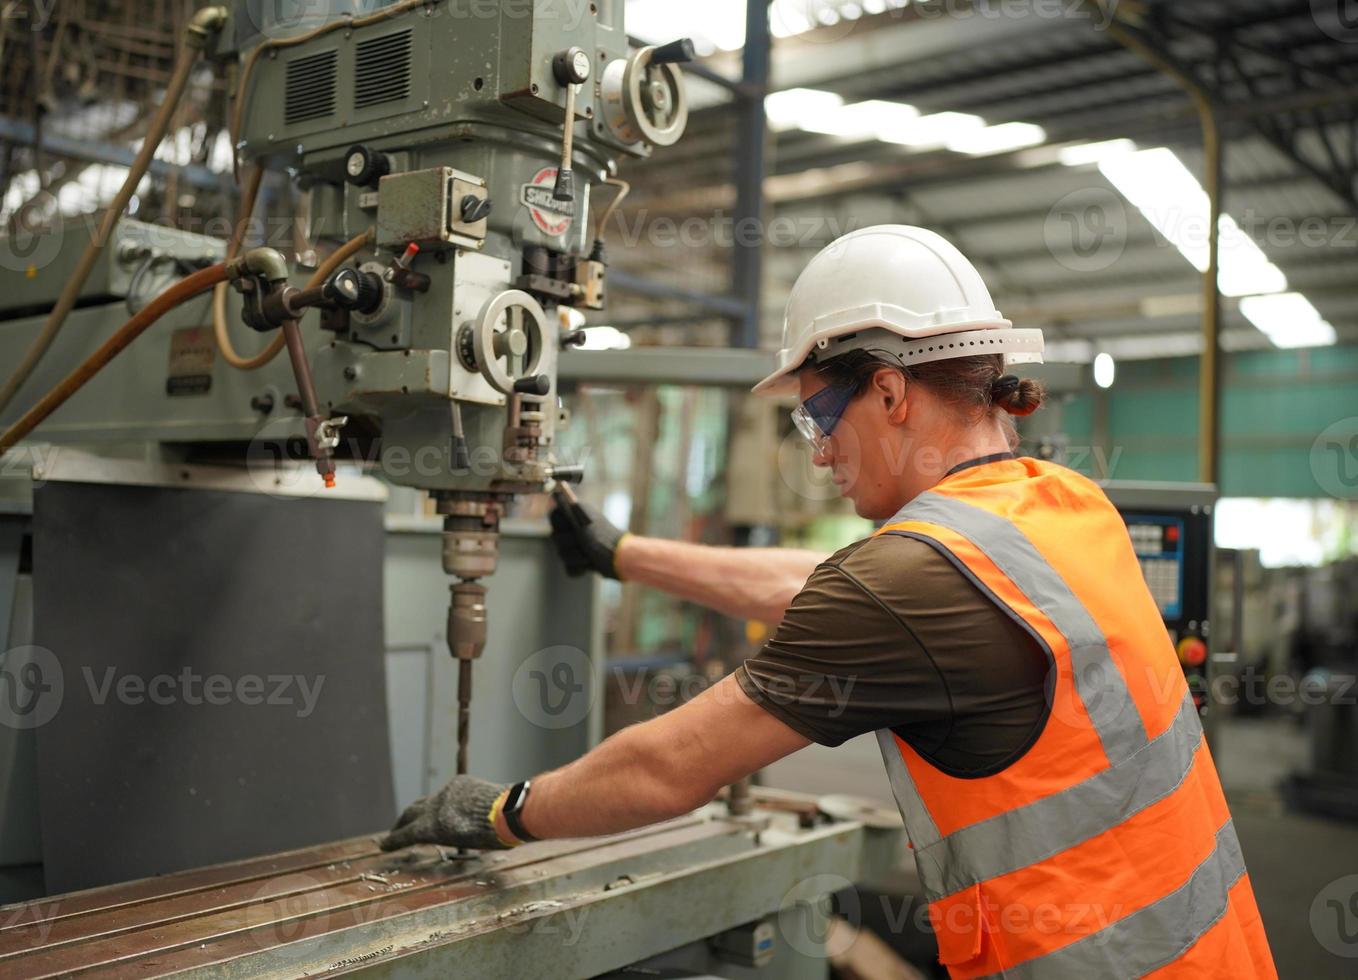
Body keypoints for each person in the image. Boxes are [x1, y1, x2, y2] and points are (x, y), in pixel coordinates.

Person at [382, 225, 1276, 977]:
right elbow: (822, 592)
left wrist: (501, 812)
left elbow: (671, 768)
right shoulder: (1063, 506)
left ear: (888, 390)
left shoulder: (902, 587)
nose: (816, 453)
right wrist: (623, 555)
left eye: (816, 416)